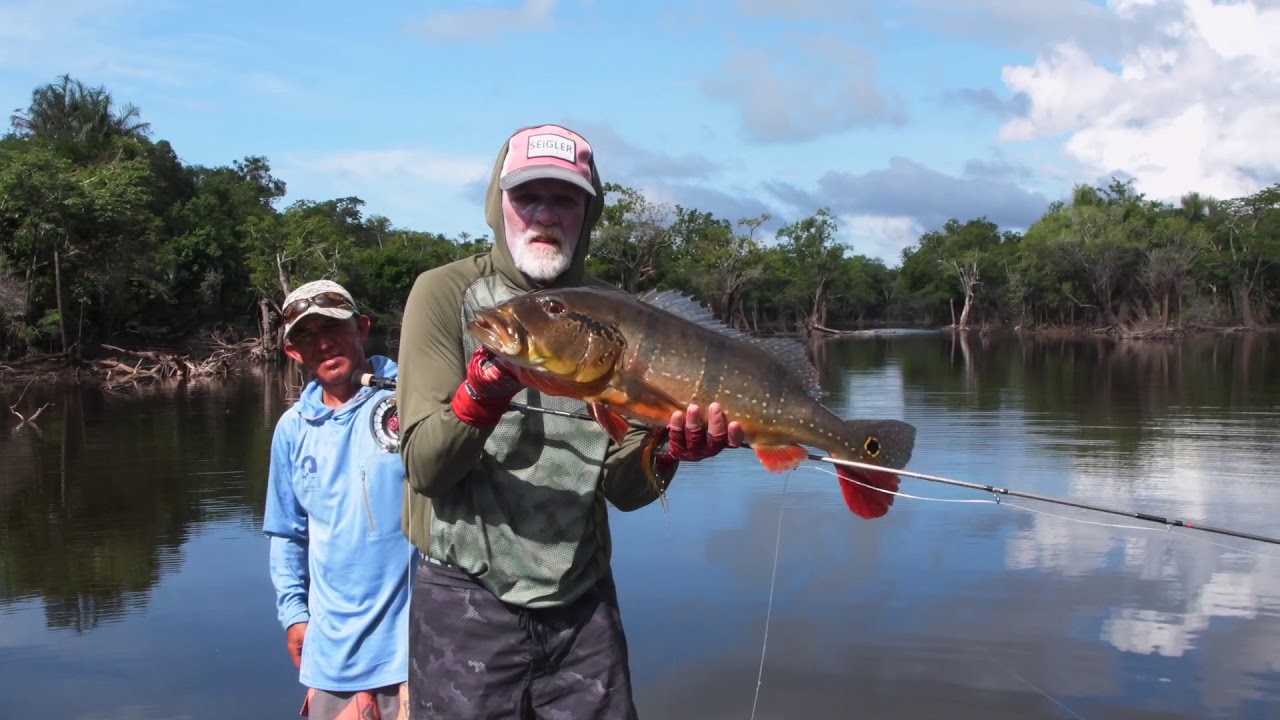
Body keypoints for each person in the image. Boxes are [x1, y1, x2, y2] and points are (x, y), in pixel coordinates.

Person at [395, 124, 745, 719]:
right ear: (498, 203)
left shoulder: (619, 315)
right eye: (527, 196)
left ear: (589, 212)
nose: (545, 215)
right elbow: (425, 469)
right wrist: (482, 393)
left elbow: (624, 490)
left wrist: (668, 451)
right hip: (464, 598)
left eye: (565, 199)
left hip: (583, 600)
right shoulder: (444, 293)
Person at [263, 279, 415, 720]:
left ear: (362, 328)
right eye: (306, 336)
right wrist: (294, 614)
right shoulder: (292, 429)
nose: (324, 344)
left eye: (333, 327)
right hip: (330, 656)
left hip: (417, 650)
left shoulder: (412, 397)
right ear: (293, 352)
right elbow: (287, 533)